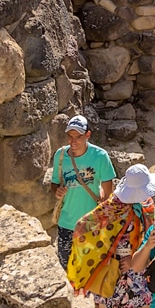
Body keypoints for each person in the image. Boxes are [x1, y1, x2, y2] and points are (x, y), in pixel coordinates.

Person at [68, 164, 155, 308]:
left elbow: (147, 232)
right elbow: (83, 227)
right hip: (116, 274)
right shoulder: (113, 208)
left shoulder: (145, 204)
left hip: (140, 269)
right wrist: (104, 255)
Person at [50, 115, 115, 272]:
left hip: (91, 222)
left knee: (89, 268)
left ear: (88, 135)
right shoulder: (60, 155)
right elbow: (54, 183)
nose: (73, 142)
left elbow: (108, 193)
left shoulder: (100, 156)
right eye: (70, 136)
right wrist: (56, 191)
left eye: (78, 137)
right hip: (66, 221)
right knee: (66, 267)